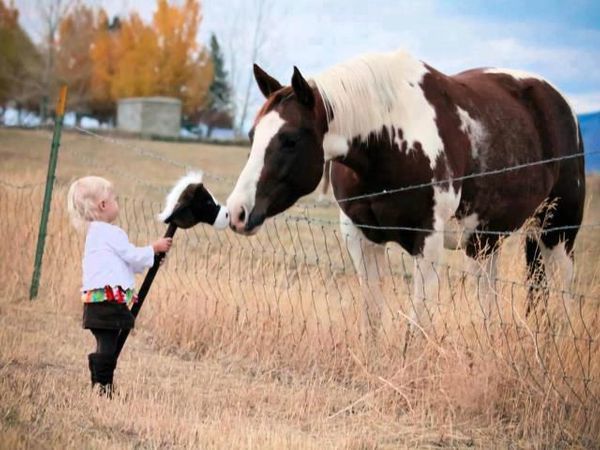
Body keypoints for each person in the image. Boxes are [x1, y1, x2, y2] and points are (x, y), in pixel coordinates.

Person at [67, 176, 172, 396]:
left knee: (105, 343)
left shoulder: (95, 234)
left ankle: (100, 383)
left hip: (96, 301)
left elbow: (124, 265)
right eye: (113, 198)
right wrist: (154, 248)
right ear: (103, 205)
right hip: (108, 302)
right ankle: (103, 387)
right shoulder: (110, 233)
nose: (117, 202)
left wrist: (151, 259)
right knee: (107, 346)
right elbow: (132, 255)